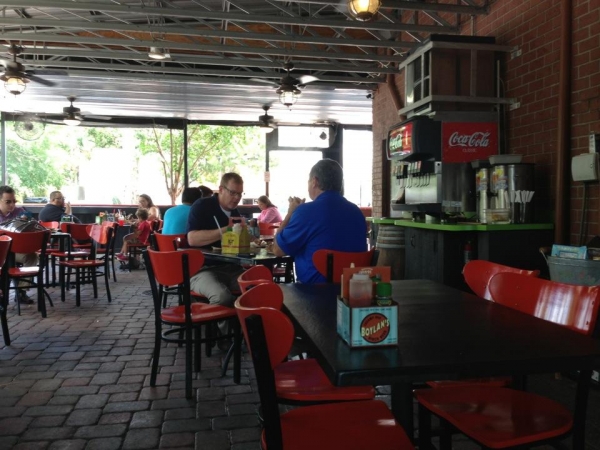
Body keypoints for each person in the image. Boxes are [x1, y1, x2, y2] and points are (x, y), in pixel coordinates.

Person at [271, 158, 367, 284]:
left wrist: (290, 213)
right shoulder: (357, 213)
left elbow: (277, 250)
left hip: (313, 290)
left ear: (314, 181)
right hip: (352, 289)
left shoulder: (305, 212)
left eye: (308, 181)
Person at [186, 173, 246, 347]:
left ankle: (251, 337)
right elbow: (192, 239)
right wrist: (226, 230)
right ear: (221, 189)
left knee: (258, 289)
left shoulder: (235, 212)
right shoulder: (202, 206)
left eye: (240, 194)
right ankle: (223, 338)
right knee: (222, 296)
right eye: (233, 193)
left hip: (230, 268)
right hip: (201, 269)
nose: (236, 198)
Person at [0, 185, 37, 304]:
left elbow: (32, 223)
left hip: (14, 251)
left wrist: (28, 221)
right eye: (8, 202)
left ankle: (21, 291)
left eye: (14, 201)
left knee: (32, 256)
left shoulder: (19, 212)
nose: (12, 205)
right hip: (0, 253)